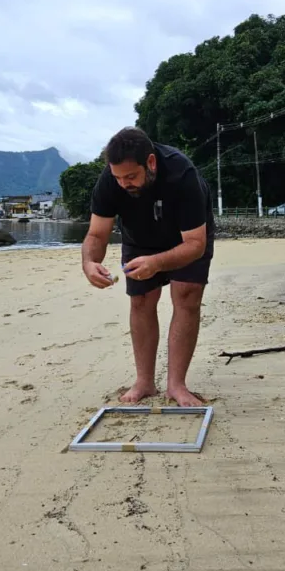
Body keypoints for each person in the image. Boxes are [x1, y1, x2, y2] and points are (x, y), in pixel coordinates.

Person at [81, 126, 214, 407]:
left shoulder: (182, 174)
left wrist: (157, 263)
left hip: (187, 236)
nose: (124, 183)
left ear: (150, 163)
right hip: (139, 237)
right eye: (118, 177)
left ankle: (177, 385)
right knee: (141, 300)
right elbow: (96, 234)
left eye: (131, 176)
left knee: (187, 295)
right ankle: (144, 382)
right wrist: (90, 262)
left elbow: (195, 245)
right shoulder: (110, 180)